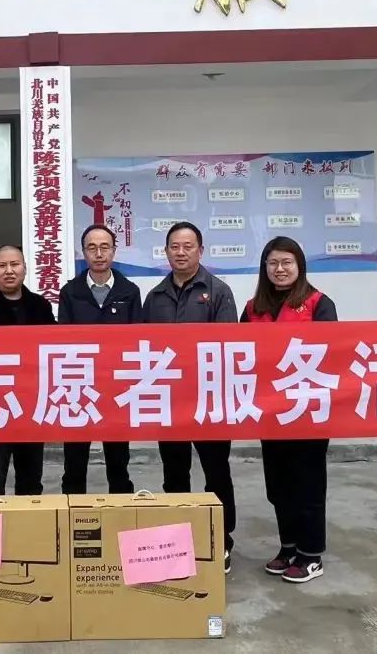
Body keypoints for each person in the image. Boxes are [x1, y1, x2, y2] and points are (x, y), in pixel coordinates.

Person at [241, 236, 337, 585]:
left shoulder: (319, 304)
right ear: (264, 268)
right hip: (270, 412)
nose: (279, 269)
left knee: (307, 483)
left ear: (299, 266)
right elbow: (240, 355)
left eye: (286, 263)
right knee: (278, 484)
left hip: (308, 411)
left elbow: (333, 353)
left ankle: (311, 554)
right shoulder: (253, 308)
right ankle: (289, 546)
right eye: (273, 263)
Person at [143, 221, 238, 573]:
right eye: (174, 246)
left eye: (188, 246)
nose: (180, 252)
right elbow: (143, 348)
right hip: (169, 400)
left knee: (216, 472)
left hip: (208, 401)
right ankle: (178, 543)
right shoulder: (155, 296)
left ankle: (221, 539)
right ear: (166, 251)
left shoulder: (218, 291)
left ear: (201, 250)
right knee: (174, 472)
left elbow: (228, 346)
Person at [0, 245, 56, 496]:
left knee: (31, 483)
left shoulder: (40, 306)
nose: (9, 271)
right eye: (2, 266)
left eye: (15, 265)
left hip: (30, 405)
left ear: (25, 269)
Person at [57, 225, 141, 494]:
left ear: (114, 251)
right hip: (78, 386)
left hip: (117, 387)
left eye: (105, 247)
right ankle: (73, 510)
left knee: (118, 461)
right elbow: (63, 340)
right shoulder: (70, 292)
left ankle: (120, 509)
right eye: (92, 248)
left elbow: (137, 341)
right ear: (84, 253)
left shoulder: (130, 291)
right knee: (74, 461)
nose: (99, 253)